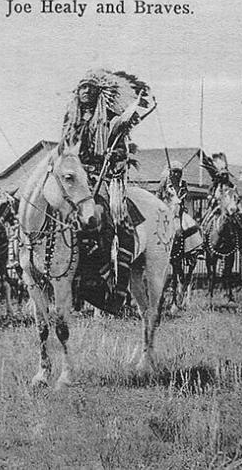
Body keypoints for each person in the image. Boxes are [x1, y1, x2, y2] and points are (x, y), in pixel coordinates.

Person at [61, 69, 155, 308]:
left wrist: (115, 155)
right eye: (82, 88)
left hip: (100, 178)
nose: (85, 92)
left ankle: (117, 283)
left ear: (98, 94)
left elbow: (123, 149)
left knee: (111, 217)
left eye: (90, 89)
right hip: (76, 177)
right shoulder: (70, 122)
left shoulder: (110, 121)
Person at [201, 152, 242, 259]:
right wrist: (213, 200)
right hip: (216, 209)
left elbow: (236, 197)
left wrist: (234, 204)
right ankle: (201, 246)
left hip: (228, 210)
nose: (224, 176)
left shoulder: (232, 186)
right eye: (222, 174)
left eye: (226, 174)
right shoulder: (214, 186)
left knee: (238, 224)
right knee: (204, 222)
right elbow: (209, 197)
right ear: (219, 175)